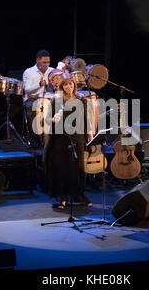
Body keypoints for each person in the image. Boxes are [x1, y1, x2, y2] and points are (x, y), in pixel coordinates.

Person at [43, 78, 94, 208]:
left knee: (79, 167)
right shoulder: (56, 100)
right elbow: (48, 119)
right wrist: (53, 119)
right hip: (61, 137)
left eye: (70, 84)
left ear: (74, 85)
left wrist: (90, 134)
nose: (68, 87)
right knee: (63, 168)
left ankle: (80, 195)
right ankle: (63, 197)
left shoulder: (81, 100)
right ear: (62, 87)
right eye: (65, 84)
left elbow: (87, 119)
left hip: (77, 136)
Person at [22, 50, 54, 144]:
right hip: (32, 100)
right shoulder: (28, 72)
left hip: (49, 101)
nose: (46, 65)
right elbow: (27, 90)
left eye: (48, 62)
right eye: (44, 62)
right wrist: (39, 84)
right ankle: (40, 140)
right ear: (37, 61)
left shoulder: (52, 71)